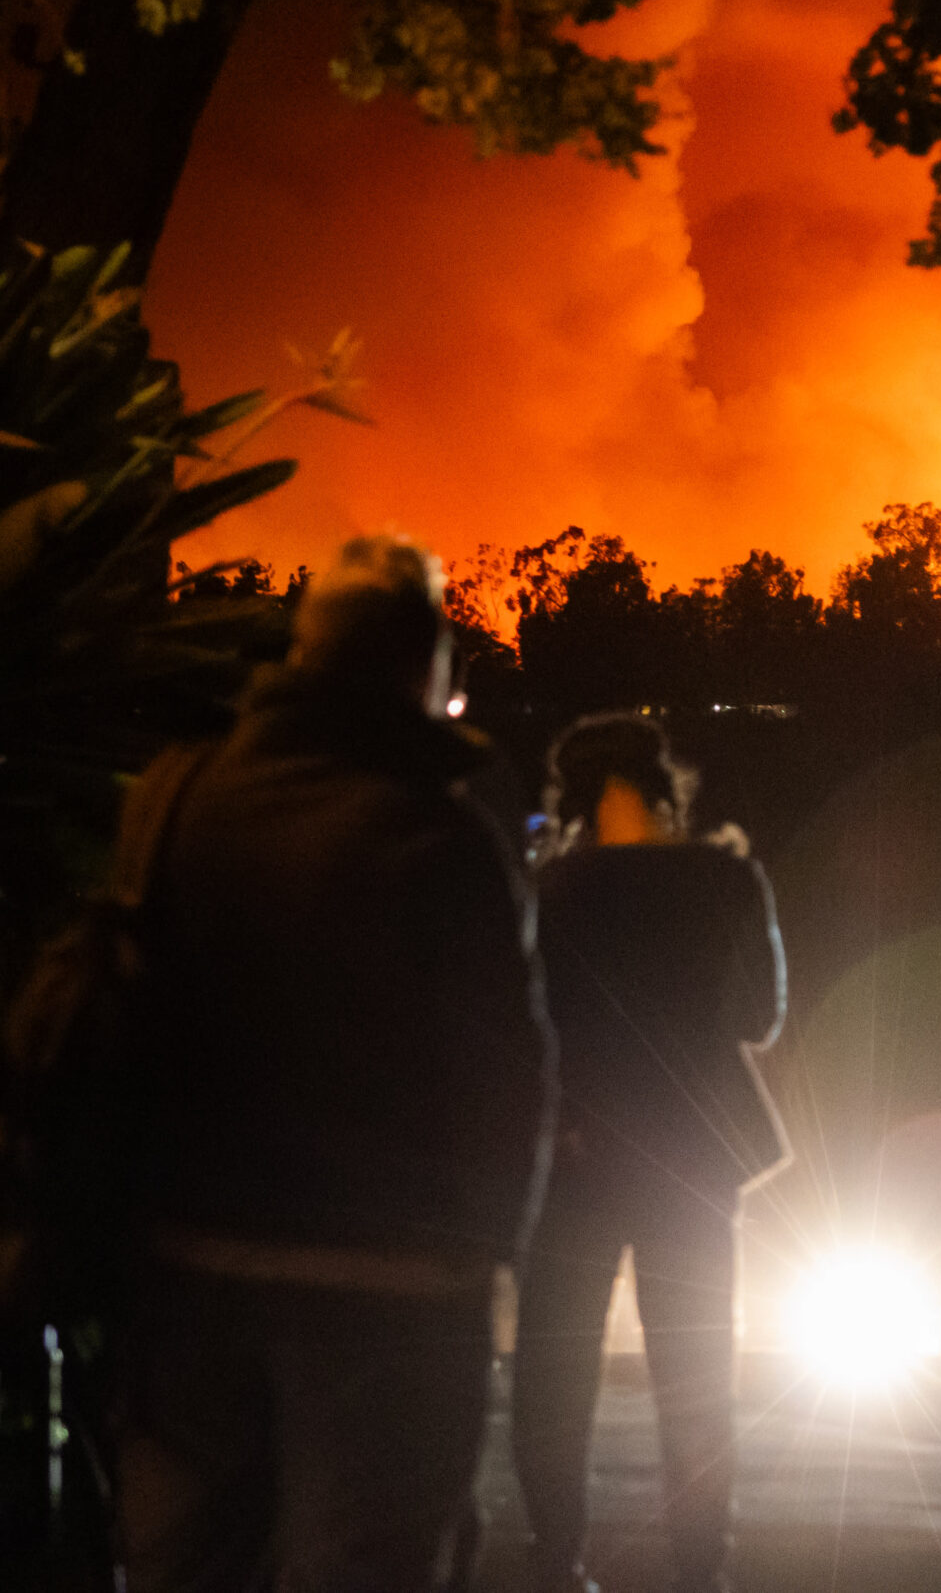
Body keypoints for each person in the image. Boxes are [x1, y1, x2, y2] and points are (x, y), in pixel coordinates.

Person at [118, 536, 554, 1593]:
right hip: (388, 1292)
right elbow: (506, 1077)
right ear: (427, 673)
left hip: (187, 1277)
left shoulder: (176, 799)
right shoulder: (439, 841)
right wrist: (492, 1259)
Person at [509, 714, 787, 1593]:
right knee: (697, 1374)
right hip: (692, 1150)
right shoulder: (729, 878)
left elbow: (522, 1024)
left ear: (576, 796)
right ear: (666, 785)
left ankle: (559, 1560)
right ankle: (702, 1568)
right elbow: (760, 1016)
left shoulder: (547, 889)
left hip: (578, 1151)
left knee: (555, 1374)